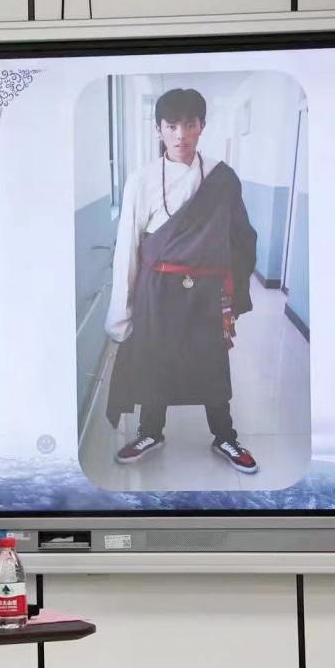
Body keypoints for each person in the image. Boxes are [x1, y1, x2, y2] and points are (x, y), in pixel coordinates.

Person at [104, 88, 260, 474]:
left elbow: (241, 236)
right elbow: (127, 248)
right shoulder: (141, 179)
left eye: (189, 125)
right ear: (158, 128)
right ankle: (150, 432)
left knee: (212, 361)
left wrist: (233, 289)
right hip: (157, 289)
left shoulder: (221, 177)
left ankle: (224, 435)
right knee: (156, 358)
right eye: (171, 126)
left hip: (207, 291)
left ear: (202, 126)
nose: (181, 135)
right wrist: (121, 313)